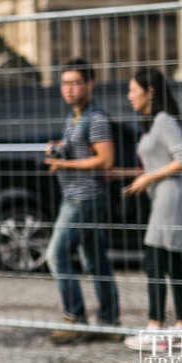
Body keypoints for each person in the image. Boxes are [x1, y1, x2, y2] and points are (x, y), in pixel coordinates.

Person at [44, 58, 121, 344]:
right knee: (95, 260)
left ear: (91, 84)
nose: (69, 89)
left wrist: (65, 166)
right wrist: (60, 150)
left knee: (56, 255)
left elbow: (105, 160)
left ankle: (75, 318)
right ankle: (109, 321)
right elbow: (80, 151)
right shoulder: (75, 117)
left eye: (76, 82)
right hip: (76, 197)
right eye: (65, 83)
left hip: (83, 199)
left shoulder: (96, 118)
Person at [121, 67, 182, 351]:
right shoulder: (155, 121)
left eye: (132, 90)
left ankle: (155, 329)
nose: (129, 96)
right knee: (173, 264)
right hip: (165, 196)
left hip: (170, 197)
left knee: (155, 262)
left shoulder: (164, 121)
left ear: (149, 91)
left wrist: (148, 177)